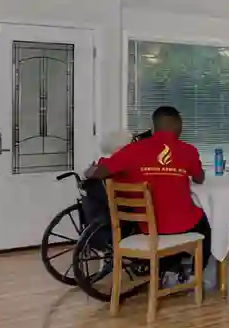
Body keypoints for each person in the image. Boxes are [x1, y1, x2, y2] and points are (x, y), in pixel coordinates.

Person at [86, 106, 211, 284]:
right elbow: (199, 178)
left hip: (145, 226)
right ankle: (193, 274)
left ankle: (168, 266)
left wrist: (89, 171)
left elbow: (97, 172)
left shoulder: (133, 150)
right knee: (209, 222)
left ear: (153, 128)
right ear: (178, 126)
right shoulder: (188, 150)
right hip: (183, 224)